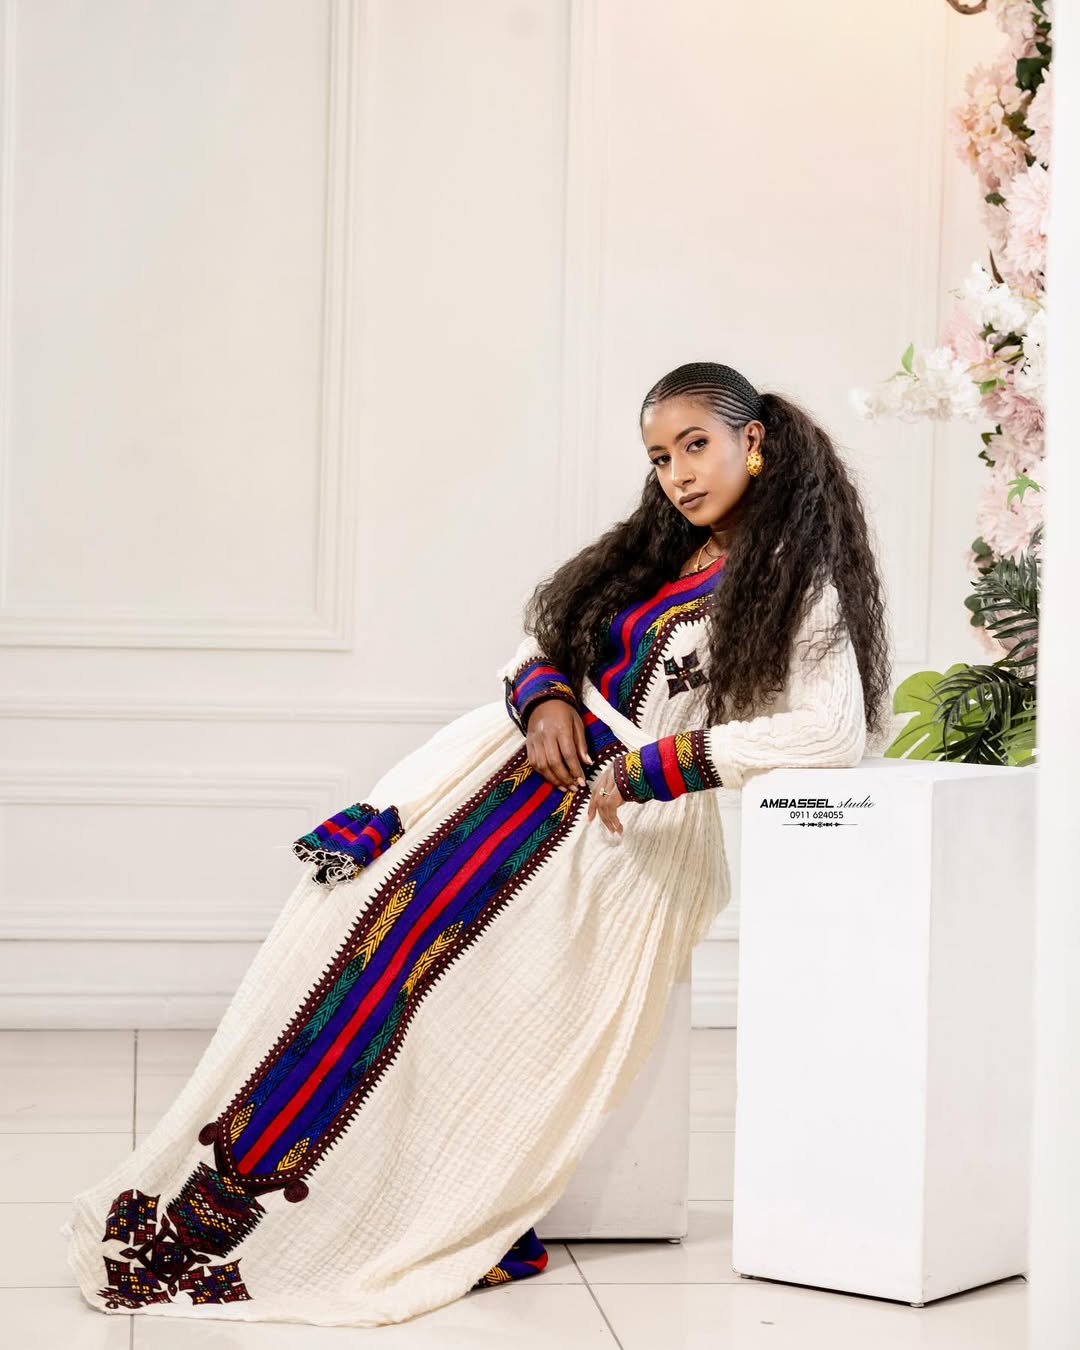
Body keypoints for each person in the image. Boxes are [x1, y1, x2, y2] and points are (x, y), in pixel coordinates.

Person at [63, 361, 892, 1328]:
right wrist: (542, 698)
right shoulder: (663, 555)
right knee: (359, 940)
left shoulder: (801, 583)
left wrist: (655, 765)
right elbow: (540, 645)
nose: (678, 473)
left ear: (756, 442)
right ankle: (229, 1191)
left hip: (611, 835)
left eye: (695, 446)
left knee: (444, 989)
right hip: (499, 788)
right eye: (661, 457)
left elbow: (832, 732)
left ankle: (410, 1212)